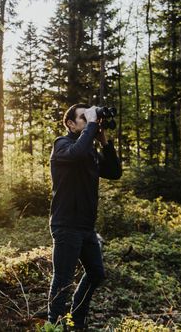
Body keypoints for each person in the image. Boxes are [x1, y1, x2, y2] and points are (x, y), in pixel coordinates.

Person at [47, 103, 122, 329]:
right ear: (70, 124)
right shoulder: (62, 144)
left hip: (86, 228)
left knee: (96, 273)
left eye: (89, 117)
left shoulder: (89, 151)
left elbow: (114, 172)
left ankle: (76, 321)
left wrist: (104, 142)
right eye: (83, 117)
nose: (89, 119)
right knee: (62, 281)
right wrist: (91, 125)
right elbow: (76, 152)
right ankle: (55, 326)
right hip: (66, 225)